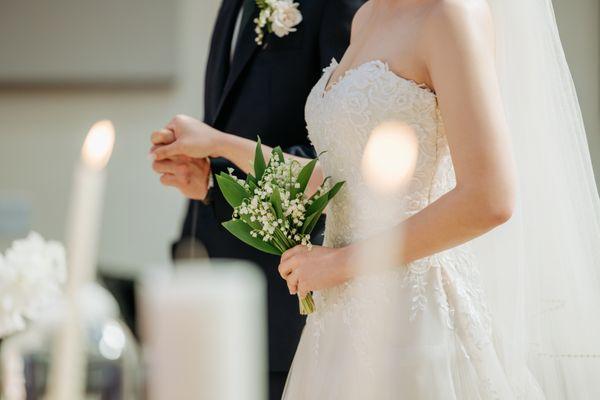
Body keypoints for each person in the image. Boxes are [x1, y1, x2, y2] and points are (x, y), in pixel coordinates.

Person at [152, 0, 600, 397]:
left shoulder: (450, 14)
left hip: (414, 323)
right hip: (337, 324)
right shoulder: (368, 15)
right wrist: (218, 147)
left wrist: (339, 263)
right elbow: (341, 177)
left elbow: (489, 197)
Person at [150, 0, 363, 398]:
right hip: (211, 277)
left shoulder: (339, 6)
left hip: (287, 294)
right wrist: (211, 185)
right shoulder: (232, 7)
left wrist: (219, 147)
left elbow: (339, 159)